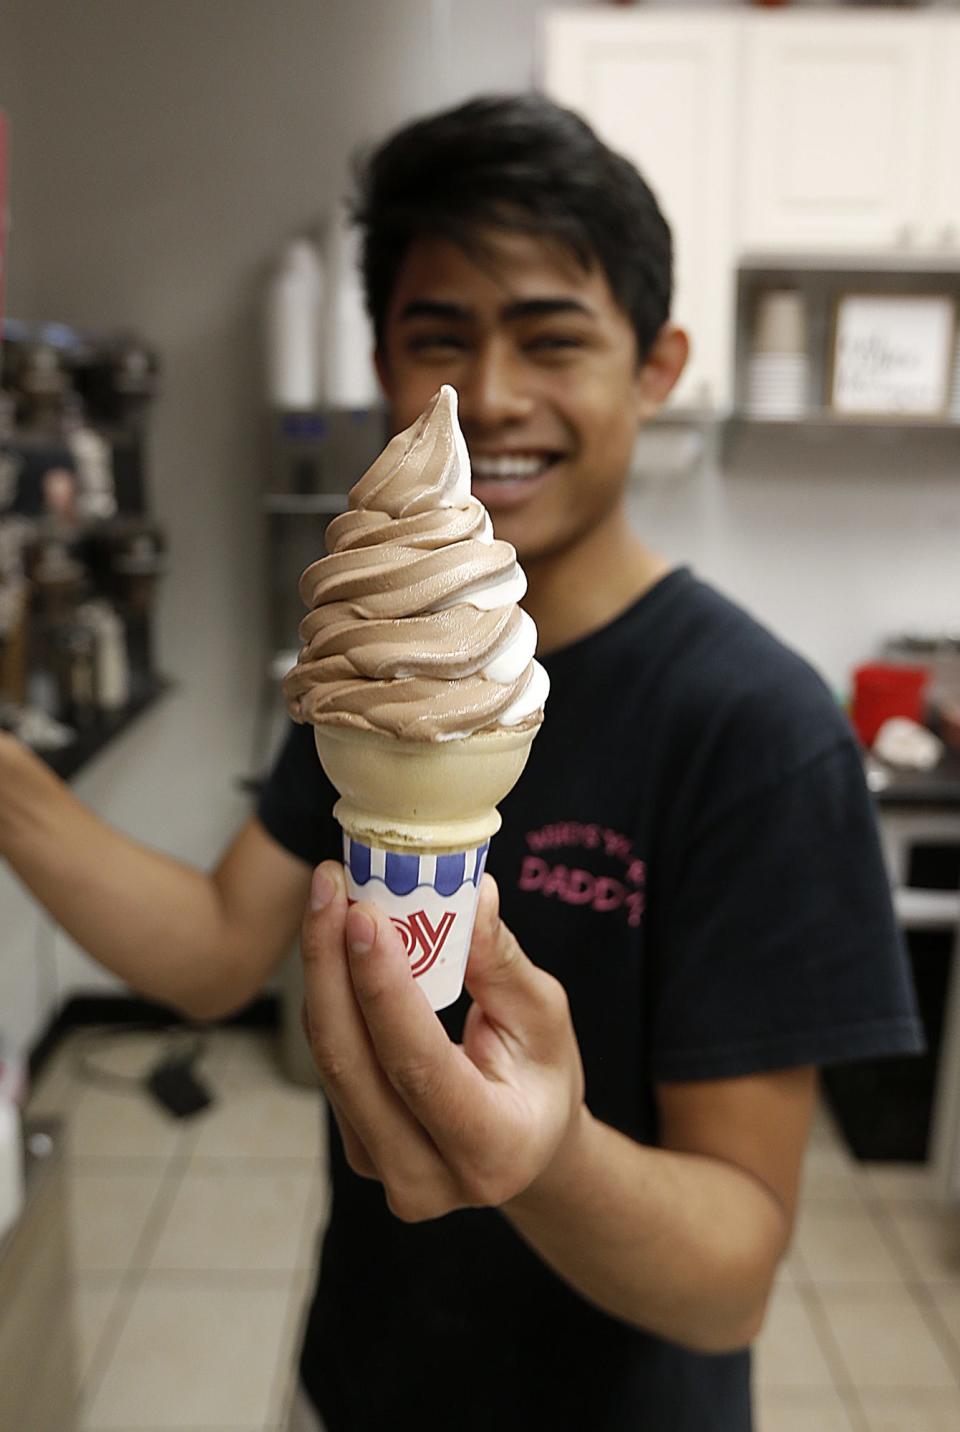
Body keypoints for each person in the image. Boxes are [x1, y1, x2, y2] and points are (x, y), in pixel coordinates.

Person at [0, 96, 922, 1432]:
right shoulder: (371, 673)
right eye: (442, 334)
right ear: (384, 356)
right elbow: (213, 947)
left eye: (552, 337)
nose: (489, 394)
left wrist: (542, 1155)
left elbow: (732, 1278)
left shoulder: (759, 731)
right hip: (359, 1381)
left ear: (656, 366)